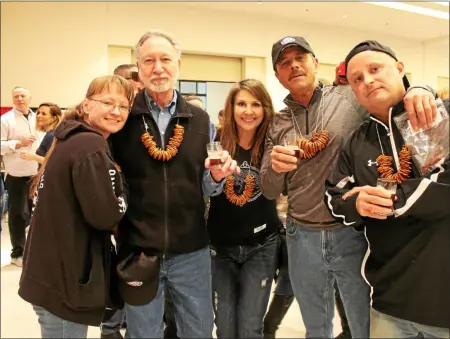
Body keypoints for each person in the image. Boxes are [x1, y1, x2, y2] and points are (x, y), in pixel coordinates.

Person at [260, 35, 438, 338]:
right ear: (277, 76)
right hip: (300, 234)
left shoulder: (349, 97)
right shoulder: (277, 123)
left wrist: (422, 88)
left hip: (352, 232)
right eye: (284, 63)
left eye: (300, 58)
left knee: (362, 324)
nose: (294, 66)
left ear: (315, 63)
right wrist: (276, 170)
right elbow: (267, 188)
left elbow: (393, 94)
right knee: (315, 326)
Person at [110, 30, 238, 339]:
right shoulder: (122, 119)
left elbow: (205, 186)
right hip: (138, 252)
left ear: (178, 64)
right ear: (138, 68)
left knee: (198, 332)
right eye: (149, 60)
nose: (158, 68)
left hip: (191, 252)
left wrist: (217, 178)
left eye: (165, 59)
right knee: (144, 334)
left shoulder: (200, 118)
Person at [325, 40, 449, 338]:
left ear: (400, 68)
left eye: (375, 69)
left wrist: (388, 200)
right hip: (388, 302)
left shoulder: (440, 116)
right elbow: (335, 195)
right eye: (357, 79)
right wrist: (357, 204)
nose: (367, 80)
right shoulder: (356, 140)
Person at [18, 75, 133, 338]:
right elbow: (104, 216)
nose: (115, 111)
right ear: (86, 105)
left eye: (123, 106)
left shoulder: (70, 139)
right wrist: (122, 190)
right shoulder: (89, 144)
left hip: (48, 273)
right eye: (107, 102)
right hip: (64, 281)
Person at [205, 79, 280, 338]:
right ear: (231, 107)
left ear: (265, 109)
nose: (248, 111)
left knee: (251, 326)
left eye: (256, 104)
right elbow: (204, 188)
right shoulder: (215, 142)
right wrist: (215, 176)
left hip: (262, 245)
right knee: (224, 327)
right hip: (220, 246)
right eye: (241, 104)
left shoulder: (272, 144)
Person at [0, 86, 38, 267]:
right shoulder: (5, 120)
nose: (19, 99)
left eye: (23, 95)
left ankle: (32, 251)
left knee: (33, 214)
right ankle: (18, 253)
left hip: (36, 172)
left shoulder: (36, 116)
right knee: (17, 215)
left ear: (30, 97)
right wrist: (18, 143)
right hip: (16, 174)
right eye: (16, 96)